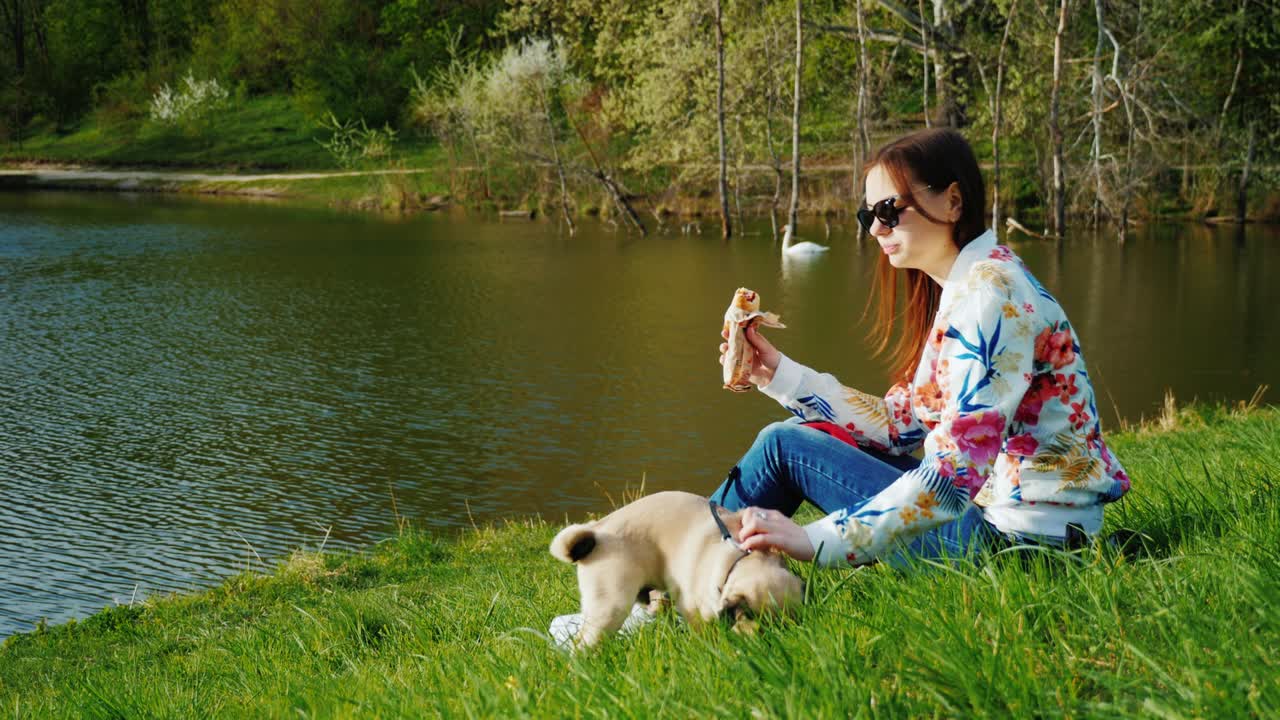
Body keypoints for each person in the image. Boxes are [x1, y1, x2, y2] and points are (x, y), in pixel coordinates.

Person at [713, 128, 1130, 568]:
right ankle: (676, 579)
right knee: (793, 440)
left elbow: (953, 472)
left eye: (889, 210)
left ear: (953, 201)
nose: (875, 228)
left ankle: (672, 578)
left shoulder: (990, 297)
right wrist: (776, 373)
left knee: (783, 446)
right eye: (867, 215)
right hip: (1018, 528)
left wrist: (820, 539)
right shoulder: (975, 285)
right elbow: (902, 426)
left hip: (1021, 549)